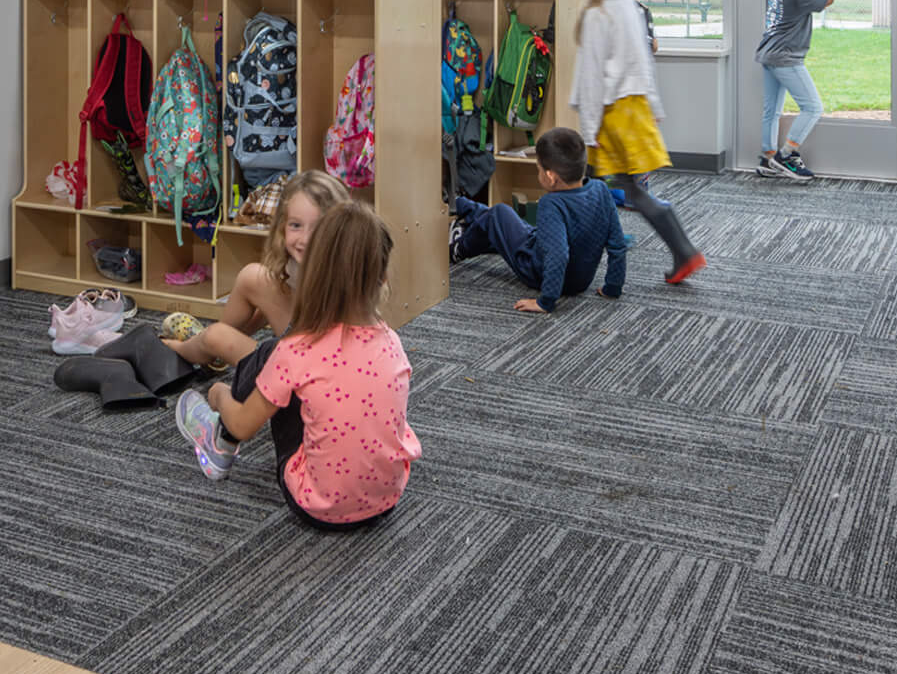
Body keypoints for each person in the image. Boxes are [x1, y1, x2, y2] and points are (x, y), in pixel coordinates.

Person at [175, 200, 417, 528]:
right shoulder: (392, 341)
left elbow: (246, 426)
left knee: (278, 378)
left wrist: (218, 395)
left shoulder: (296, 350)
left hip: (316, 509)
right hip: (387, 501)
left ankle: (217, 441)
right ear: (383, 275)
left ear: (312, 275)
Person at [569, 0, 702, 285]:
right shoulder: (628, 5)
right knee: (631, 189)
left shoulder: (599, 14)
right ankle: (681, 251)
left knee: (631, 191)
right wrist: (653, 104)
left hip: (613, 112)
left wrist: (587, 129)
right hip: (636, 104)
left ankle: (683, 251)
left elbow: (591, 78)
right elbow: (643, 60)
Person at [161, 168, 353, 368]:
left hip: (308, 373)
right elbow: (275, 301)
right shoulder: (301, 264)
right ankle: (211, 346)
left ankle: (180, 347)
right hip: (298, 349)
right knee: (251, 279)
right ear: (282, 225)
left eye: (318, 227)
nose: (305, 239)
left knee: (216, 363)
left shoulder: (340, 273)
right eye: (296, 225)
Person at [449, 125, 627, 314]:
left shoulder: (552, 203)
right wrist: (613, 288)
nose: (538, 173)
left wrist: (546, 301)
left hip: (539, 272)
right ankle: (460, 204)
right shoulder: (600, 189)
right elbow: (617, 244)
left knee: (498, 214)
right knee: (505, 223)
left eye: (539, 169)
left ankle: (457, 249)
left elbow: (558, 255)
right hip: (581, 280)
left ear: (550, 177)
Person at [757, 0, 832, 182]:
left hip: (768, 55)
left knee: (772, 110)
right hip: (786, 58)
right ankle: (786, 155)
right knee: (813, 107)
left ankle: (767, 157)